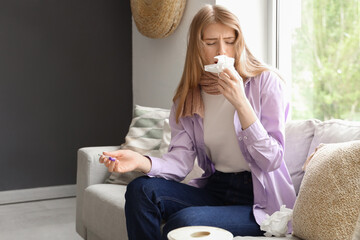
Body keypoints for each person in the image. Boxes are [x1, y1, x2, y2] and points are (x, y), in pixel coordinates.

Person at [99, 4, 296, 240]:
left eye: (230, 41)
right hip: (216, 188)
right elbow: (180, 162)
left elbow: (272, 160)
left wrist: (241, 103)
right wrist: (141, 161)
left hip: (258, 200)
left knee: (184, 222)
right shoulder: (188, 97)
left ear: (239, 41)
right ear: (197, 46)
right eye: (211, 42)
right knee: (141, 189)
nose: (221, 51)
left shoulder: (265, 82)